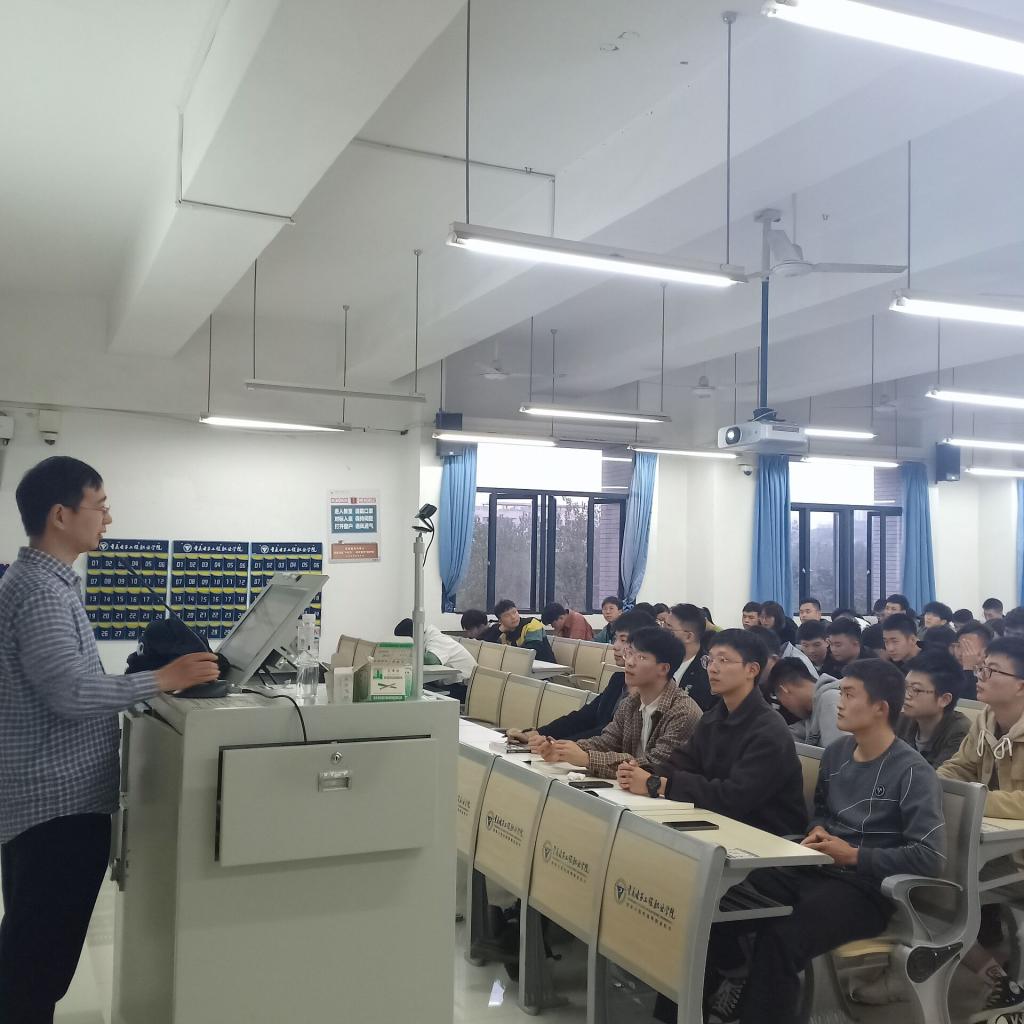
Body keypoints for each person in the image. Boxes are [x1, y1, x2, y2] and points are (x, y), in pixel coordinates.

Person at [0, 457, 221, 1022]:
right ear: (60, 515)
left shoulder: (46, 583)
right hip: (56, 810)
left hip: (49, 805)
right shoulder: (42, 592)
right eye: (99, 507)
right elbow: (70, 693)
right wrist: (163, 679)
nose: (108, 518)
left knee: (32, 959)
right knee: (34, 969)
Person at [705, 659, 945, 1024]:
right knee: (718, 895)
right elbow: (822, 810)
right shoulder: (837, 753)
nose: (838, 703)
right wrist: (818, 830)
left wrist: (854, 855)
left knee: (781, 938)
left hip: (865, 889)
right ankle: (703, 998)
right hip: (816, 867)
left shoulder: (912, 771)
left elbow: (930, 857)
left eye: (849, 695)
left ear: (880, 708)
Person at [618, 629, 807, 832]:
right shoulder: (714, 717)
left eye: (723, 660)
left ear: (751, 670)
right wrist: (641, 772)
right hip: (717, 822)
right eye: (709, 660)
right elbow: (681, 763)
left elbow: (734, 798)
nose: (712, 669)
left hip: (765, 835)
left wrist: (658, 784)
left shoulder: (769, 730)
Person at [938, 637, 1024, 1016]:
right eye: (980, 668)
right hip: (999, 851)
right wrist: (932, 788)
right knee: (930, 890)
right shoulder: (986, 721)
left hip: (1015, 853)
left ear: (1020, 685)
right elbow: (958, 768)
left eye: (991, 670)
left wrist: (975, 801)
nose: (979, 675)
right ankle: (1001, 981)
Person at [533, 627, 700, 778]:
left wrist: (587, 759)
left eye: (641, 657)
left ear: (663, 668)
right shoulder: (630, 703)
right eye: (630, 653)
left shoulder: (682, 712)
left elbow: (654, 765)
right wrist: (561, 750)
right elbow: (606, 742)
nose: (630, 662)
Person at [505, 610, 656, 744]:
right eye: (615, 638)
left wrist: (556, 745)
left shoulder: (650, 693)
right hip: (590, 750)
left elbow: (610, 735)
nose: (615, 646)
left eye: (623, 640)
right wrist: (538, 734)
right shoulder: (618, 680)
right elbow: (584, 716)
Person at [896, 649, 971, 768]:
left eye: (916, 690)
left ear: (944, 699)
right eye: (906, 687)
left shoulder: (960, 732)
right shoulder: (900, 721)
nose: (906, 695)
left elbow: (937, 777)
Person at [764, 657, 843, 748]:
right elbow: (785, 738)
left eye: (781, 700)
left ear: (784, 690)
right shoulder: (811, 716)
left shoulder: (830, 700)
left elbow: (840, 753)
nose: (787, 708)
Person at [393, 617, 476, 690]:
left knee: (418, 691)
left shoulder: (436, 639)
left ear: (411, 637)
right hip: (449, 682)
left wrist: (404, 655)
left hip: (464, 686)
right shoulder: (425, 639)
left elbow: (431, 660)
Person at [664, 603, 713, 710]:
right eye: (663, 625)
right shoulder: (659, 658)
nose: (663, 633)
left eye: (669, 629)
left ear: (689, 636)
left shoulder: (707, 672)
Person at [955, 620, 994, 700]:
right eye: (959, 646)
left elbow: (968, 702)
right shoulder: (950, 671)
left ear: (984, 651)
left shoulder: (993, 674)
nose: (960, 653)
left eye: (968, 647)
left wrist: (969, 669)